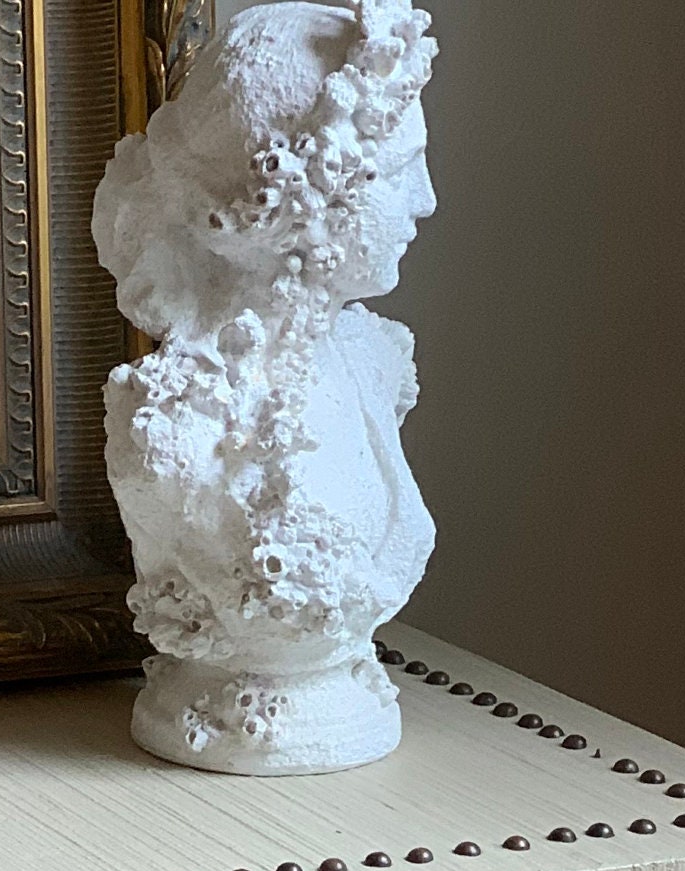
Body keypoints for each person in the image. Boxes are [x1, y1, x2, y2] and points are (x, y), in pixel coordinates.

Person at [94, 0, 439, 773]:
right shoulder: (172, 425)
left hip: (348, 707)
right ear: (304, 203)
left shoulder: (373, 361)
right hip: (205, 717)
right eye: (403, 172)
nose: (427, 201)